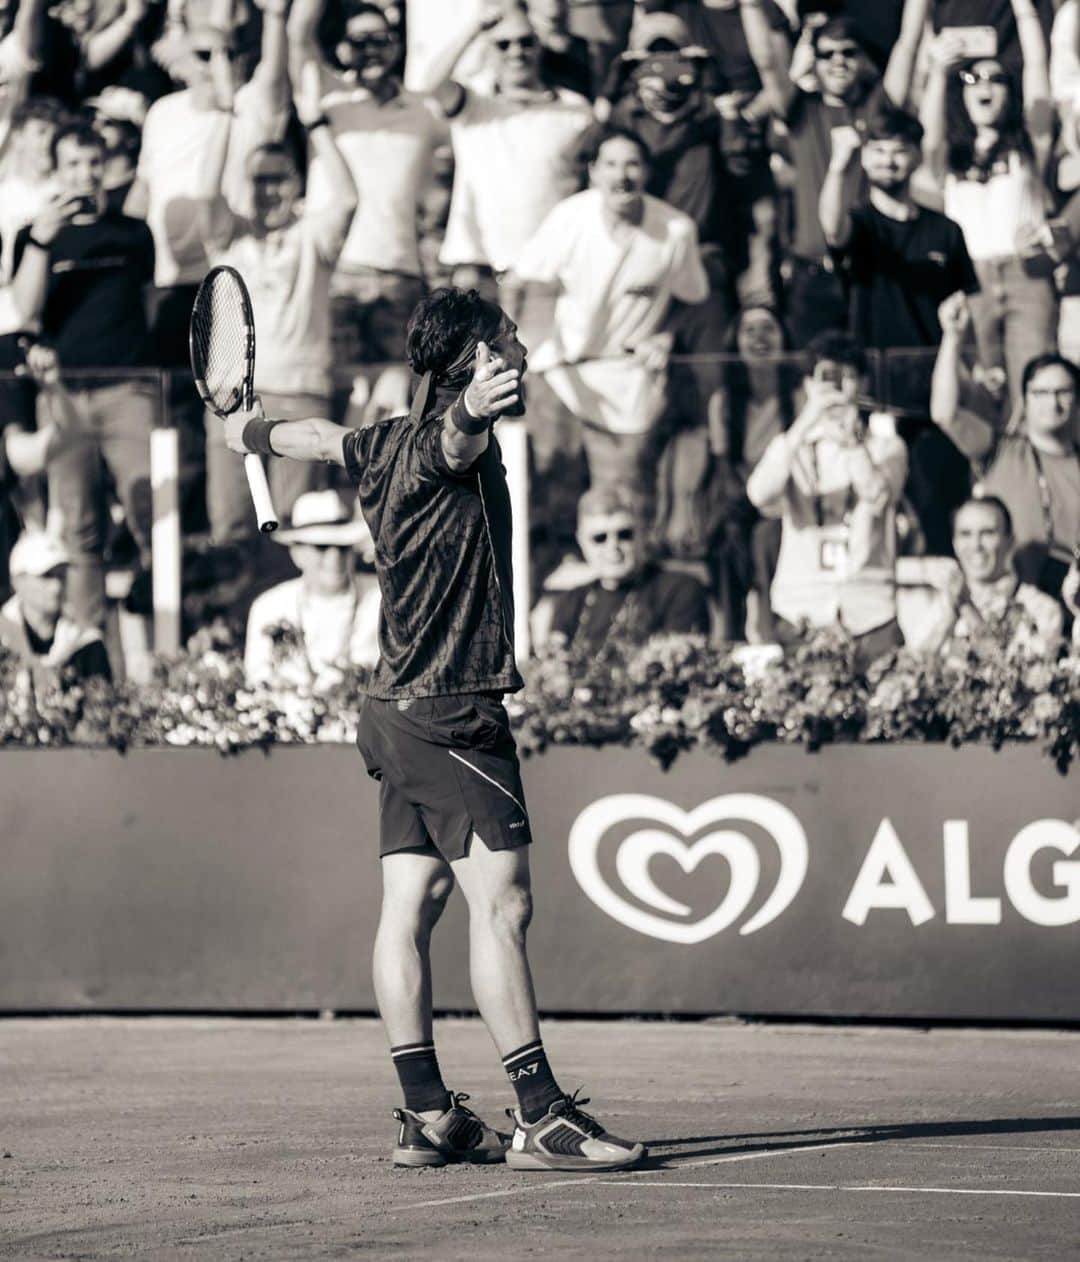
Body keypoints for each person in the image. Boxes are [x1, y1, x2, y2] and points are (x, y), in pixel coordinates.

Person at [223, 287, 645, 1173]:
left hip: (393, 710)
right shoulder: (449, 441)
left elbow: (316, 437)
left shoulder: (377, 440)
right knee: (505, 904)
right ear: (474, 364)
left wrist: (255, 433)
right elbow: (458, 436)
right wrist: (475, 406)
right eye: (508, 343)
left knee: (410, 907)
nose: (523, 348)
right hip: (454, 712)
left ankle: (426, 1115)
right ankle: (539, 1115)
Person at [200, 62, 358, 542]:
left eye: (278, 179)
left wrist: (315, 125)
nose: (268, 190)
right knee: (230, 525)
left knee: (294, 524)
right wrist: (228, 115)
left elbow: (349, 198)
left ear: (297, 185)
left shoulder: (313, 236)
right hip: (232, 400)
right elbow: (206, 190)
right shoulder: (229, 239)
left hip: (299, 391)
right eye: (258, 180)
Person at [12, 120, 155, 633]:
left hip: (127, 390)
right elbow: (25, 312)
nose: (83, 174)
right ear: (56, 169)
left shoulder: (135, 232)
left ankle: (163, 639)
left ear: (105, 165)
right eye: (72, 163)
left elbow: (147, 304)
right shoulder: (36, 235)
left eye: (92, 162)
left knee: (150, 512)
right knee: (78, 530)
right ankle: (87, 652)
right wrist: (40, 243)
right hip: (64, 395)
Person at [511, 124, 708, 495]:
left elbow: (695, 298)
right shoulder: (569, 217)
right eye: (611, 165)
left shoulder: (676, 231)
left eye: (632, 165)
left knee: (624, 494)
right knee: (552, 489)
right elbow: (524, 283)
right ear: (594, 173)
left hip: (630, 383)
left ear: (647, 172)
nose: (622, 176)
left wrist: (667, 336)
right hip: (560, 378)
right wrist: (529, 356)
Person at [746, 0, 930, 346]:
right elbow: (767, 63)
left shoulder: (876, 108)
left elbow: (907, 44)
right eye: (827, 55)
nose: (838, 62)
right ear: (813, 63)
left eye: (848, 52)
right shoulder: (799, 109)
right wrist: (750, 5)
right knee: (813, 376)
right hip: (812, 272)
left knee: (876, 379)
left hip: (871, 269)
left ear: (862, 60)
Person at [423, 2, 592, 347]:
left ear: (540, 45)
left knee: (539, 384)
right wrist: (474, 29)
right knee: (470, 381)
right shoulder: (474, 103)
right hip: (478, 270)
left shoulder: (576, 109)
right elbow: (429, 83)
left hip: (547, 276)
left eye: (526, 42)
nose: (517, 52)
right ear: (489, 48)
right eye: (504, 44)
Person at [288, 0, 444, 368]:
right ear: (340, 48)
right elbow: (298, 34)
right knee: (336, 399)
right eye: (359, 41)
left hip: (402, 272)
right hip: (335, 270)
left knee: (398, 408)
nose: (371, 50)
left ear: (396, 44)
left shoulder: (426, 109)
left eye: (381, 39)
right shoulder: (326, 94)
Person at [920, 0, 1057, 410]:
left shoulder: (1030, 146)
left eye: (996, 79)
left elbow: (1036, 72)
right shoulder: (949, 157)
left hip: (1026, 276)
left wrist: (1025, 11)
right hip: (968, 278)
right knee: (980, 392)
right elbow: (928, 134)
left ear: (1008, 91)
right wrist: (938, 73)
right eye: (972, 78)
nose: (984, 86)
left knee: (1031, 386)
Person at [746, 330, 908, 668]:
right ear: (808, 384)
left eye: (846, 377)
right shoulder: (793, 446)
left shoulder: (885, 446)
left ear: (863, 383)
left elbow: (878, 497)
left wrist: (851, 443)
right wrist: (806, 421)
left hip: (870, 609)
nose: (836, 388)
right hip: (802, 608)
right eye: (826, 377)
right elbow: (759, 493)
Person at [931, 296, 1080, 598]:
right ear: (1024, 400)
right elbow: (944, 414)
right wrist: (953, 337)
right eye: (1041, 392)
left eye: (1062, 392)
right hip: (1010, 605)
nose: (1052, 402)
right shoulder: (999, 450)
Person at [546, 483, 710, 653]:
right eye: (599, 538)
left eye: (624, 535)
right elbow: (553, 667)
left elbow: (674, 667)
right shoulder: (571, 602)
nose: (613, 546)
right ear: (582, 542)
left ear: (644, 535)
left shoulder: (680, 591)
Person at [244, 490, 380, 689]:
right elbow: (257, 682)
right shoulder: (270, 607)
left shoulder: (381, 599)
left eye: (343, 547)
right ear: (296, 554)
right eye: (322, 547)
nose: (335, 558)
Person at [915, 495, 1063, 657]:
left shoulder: (1041, 609)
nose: (976, 545)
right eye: (965, 534)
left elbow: (1012, 674)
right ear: (954, 543)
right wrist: (951, 612)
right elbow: (914, 667)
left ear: (1010, 540)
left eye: (987, 533)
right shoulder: (937, 604)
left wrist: (966, 607)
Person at [0, 529, 111, 696]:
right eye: (46, 576)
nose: (56, 586)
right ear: (18, 581)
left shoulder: (87, 642)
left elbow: (102, 710)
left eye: (61, 576)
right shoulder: (3, 639)